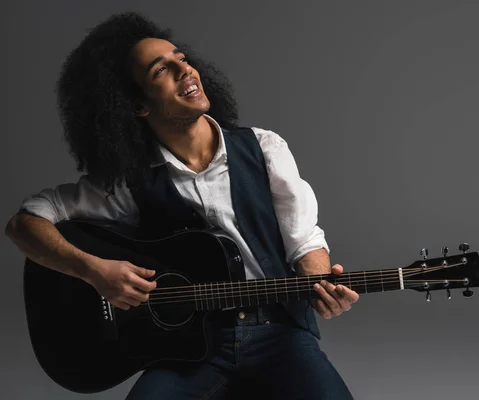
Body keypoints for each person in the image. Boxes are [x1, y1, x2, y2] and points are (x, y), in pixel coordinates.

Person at [5, 11, 359, 400]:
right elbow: (24, 225)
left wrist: (322, 285)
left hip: (280, 334)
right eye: (162, 70)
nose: (185, 70)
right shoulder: (129, 183)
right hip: (190, 350)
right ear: (138, 105)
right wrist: (93, 271)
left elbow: (305, 240)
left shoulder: (264, 148)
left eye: (182, 59)